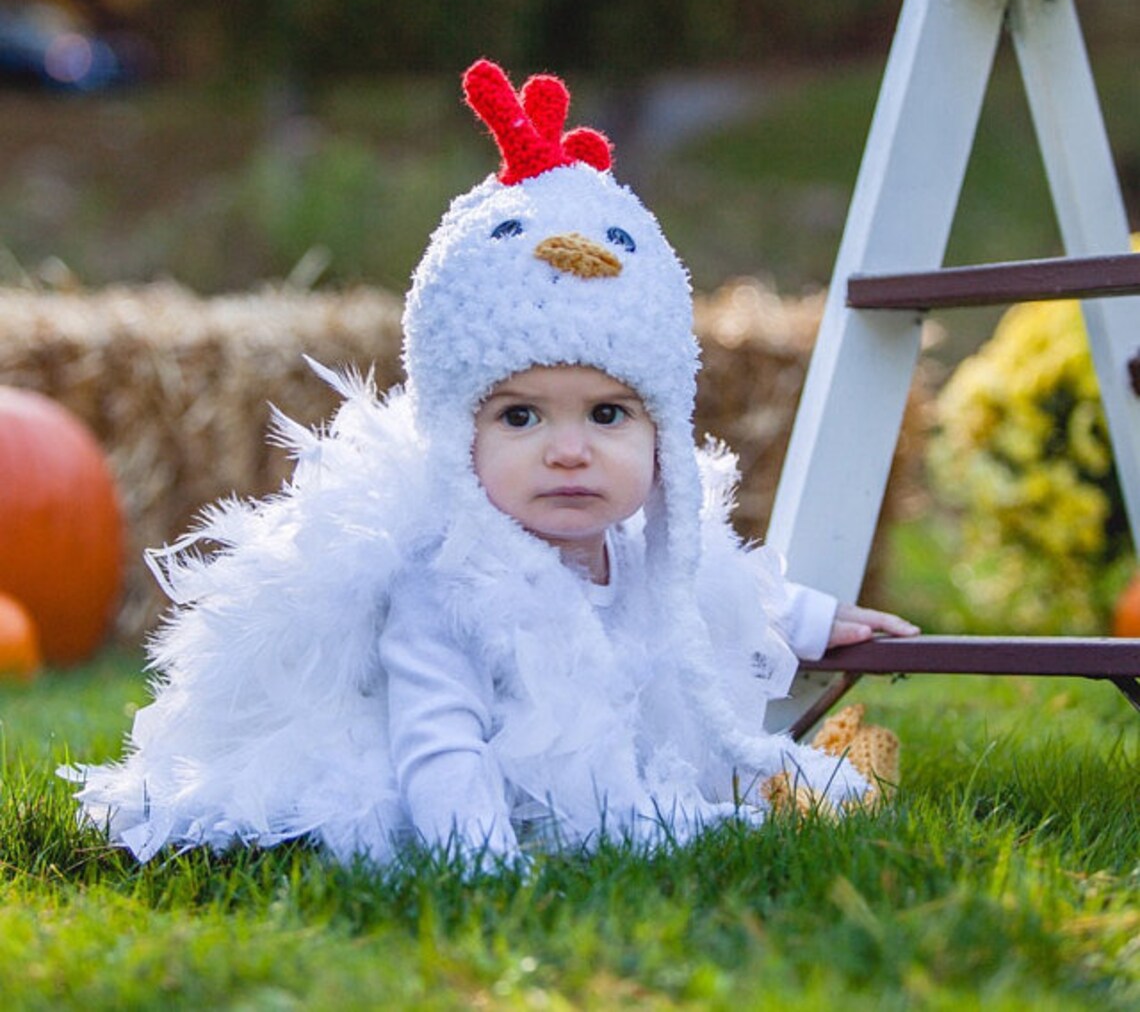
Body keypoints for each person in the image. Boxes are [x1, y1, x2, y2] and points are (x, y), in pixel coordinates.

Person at [64, 60, 918, 866]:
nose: (570, 448)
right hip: (482, 797)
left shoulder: (640, 548)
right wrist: (480, 866)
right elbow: (442, 747)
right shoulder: (445, 588)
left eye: (609, 413)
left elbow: (712, 587)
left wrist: (809, 619)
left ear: (663, 432)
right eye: (519, 415)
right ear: (456, 435)